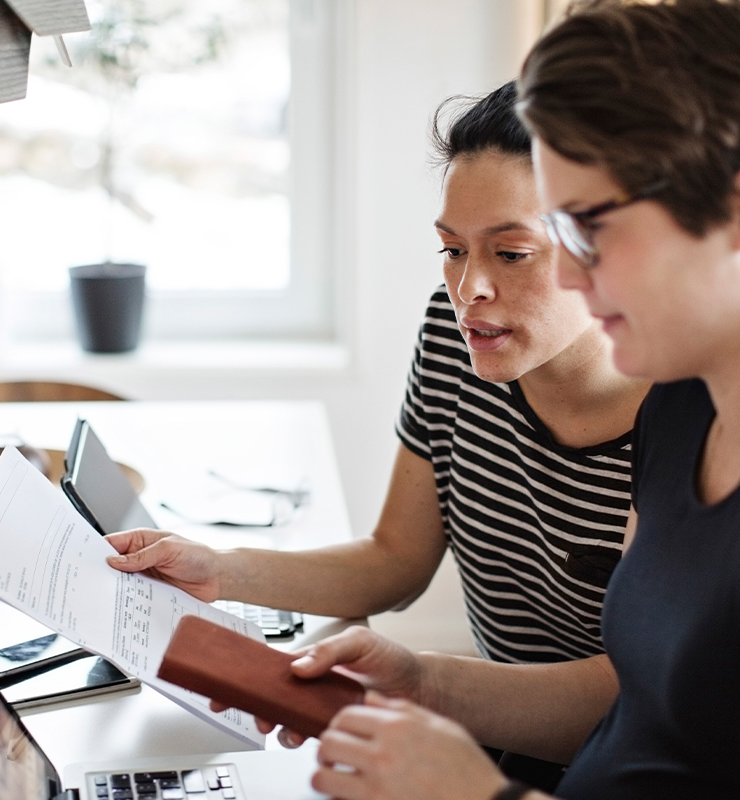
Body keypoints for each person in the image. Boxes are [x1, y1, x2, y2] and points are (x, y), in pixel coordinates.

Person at [230, 1, 740, 798]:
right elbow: (636, 707)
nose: (572, 273)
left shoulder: (664, 397)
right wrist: (422, 685)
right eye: (453, 251)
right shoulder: (683, 415)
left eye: (589, 230)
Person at [107, 81, 648, 675]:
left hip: (607, 761)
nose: (469, 291)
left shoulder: (687, 409)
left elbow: (637, 697)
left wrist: (420, 686)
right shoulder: (455, 330)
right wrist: (218, 568)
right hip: (497, 741)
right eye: (452, 249)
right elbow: (395, 562)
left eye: (511, 253)